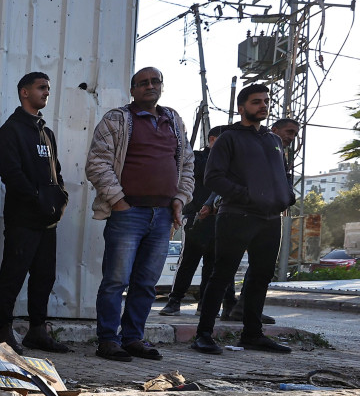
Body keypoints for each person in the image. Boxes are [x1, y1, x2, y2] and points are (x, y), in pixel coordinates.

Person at [85, 67, 194, 362]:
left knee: (146, 283)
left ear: (162, 86)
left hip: (162, 217)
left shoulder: (173, 120)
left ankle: (134, 338)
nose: (150, 86)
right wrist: (119, 202)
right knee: (116, 280)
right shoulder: (117, 119)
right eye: (143, 83)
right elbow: (97, 164)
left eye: (155, 81)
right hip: (128, 213)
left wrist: (180, 200)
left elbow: (187, 165)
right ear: (132, 90)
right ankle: (108, 340)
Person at [191, 84, 296, 355]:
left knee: (261, 276)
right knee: (222, 275)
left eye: (265, 101)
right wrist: (246, 196)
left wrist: (286, 196)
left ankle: (252, 334)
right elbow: (213, 177)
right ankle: (203, 335)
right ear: (242, 107)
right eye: (256, 102)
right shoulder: (229, 138)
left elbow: (281, 174)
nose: (263, 105)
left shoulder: (273, 140)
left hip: (270, 218)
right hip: (237, 215)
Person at [0, 72, 70, 354]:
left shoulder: (46, 133)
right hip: (23, 218)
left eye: (48, 88)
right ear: (24, 92)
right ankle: (3, 332)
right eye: (41, 88)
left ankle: (38, 331)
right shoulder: (11, 130)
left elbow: (56, 173)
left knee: (44, 276)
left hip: (48, 219)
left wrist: (60, 199)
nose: (46, 92)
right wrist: (37, 199)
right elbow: (10, 173)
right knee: (14, 274)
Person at [159, 125, 232, 317]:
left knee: (212, 264)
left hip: (220, 219)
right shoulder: (198, 158)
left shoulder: (230, 162)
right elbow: (193, 172)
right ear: (213, 140)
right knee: (189, 262)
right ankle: (174, 301)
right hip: (196, 218)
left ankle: (204, 304)